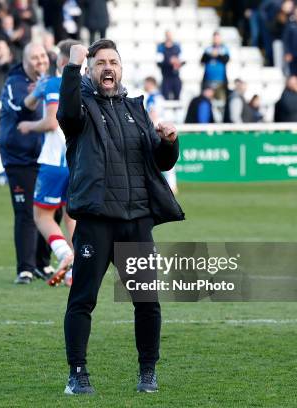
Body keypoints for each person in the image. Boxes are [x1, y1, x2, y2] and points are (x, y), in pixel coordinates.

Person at [57, 40, 184, 394]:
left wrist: (169, 142)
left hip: (136, 221)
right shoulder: (80, 108)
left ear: (121, 68)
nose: (107, 67)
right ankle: (77, 373)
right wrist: (72, 66)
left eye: (113, 62)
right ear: (91, 70)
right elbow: (65, 113)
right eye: (100, 63)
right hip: (97, 221)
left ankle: (148, 372)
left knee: (147, 302)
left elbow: (159, 163)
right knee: (83, 300)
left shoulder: (136, 109)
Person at [16, 39, 79, 287]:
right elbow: (31, 102)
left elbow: (50, 121)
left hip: (55, 161)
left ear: (60, 62)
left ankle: (64, 254)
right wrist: (36, 92)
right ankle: (77, 272)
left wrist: (29, 125)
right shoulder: (84, 85)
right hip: (78, 161)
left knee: (41, 216)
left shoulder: (54, 84)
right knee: (72, 217)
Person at [0, 42, 56, 284]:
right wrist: (38, 92)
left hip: (46, 156)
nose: (40, 61)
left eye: (42, 56)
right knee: (25, 213)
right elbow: (21, 108)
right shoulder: (14, 83)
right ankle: (25, 268)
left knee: (52, 209)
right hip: (19, 158)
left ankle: (43, 263)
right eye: (34, 58)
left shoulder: (50, 80)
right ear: (24, 61)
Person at [144, 77, 178, 194]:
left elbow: (153, 114)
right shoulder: (159, 97)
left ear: (150, 83)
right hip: (161, 128)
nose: (145, 85)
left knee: (156, 158)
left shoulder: (153, 98)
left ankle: (168, 186)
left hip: (157, 129)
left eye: (146, 83)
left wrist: (150, 128)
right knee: (166, 159)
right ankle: (172, 186)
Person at [201, 31, 230, 100]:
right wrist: (211, 54)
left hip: (220, 82)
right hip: (208, 81)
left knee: (221, 101)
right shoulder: (208, 49)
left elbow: (226, 59)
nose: (216, 40)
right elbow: (203, 60)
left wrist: (217, 55)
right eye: (215, 38)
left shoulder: (224, 49)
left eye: (217, 38)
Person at [156, 30, 182, 100]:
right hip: (166, 77)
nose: (169, 37)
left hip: (175, 76)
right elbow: (159, 62)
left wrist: (177, 62)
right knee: (165, 99)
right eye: (167, 35)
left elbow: (182, 61)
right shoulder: (161, 47)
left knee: (177, 99)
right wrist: (169, 61)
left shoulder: (177, 47)